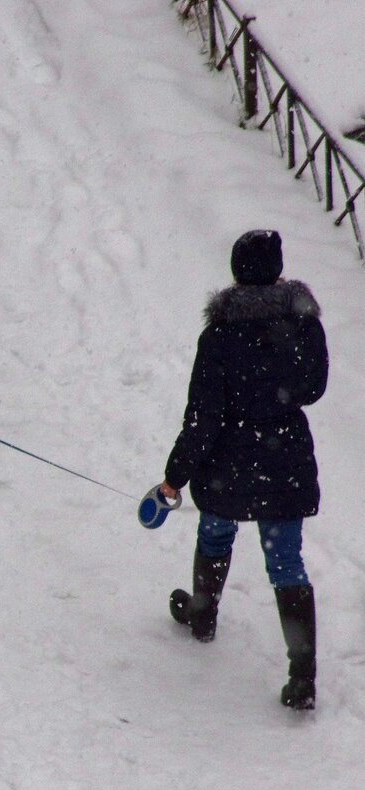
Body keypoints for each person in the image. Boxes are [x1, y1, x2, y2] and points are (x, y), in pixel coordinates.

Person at [158, 229, 328, 710]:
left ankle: (203, 614)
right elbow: (312, 390)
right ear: (277, 269)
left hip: (226, 466)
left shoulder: (220, 335)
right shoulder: (304, 326)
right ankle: (302, 676)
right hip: (284, 462)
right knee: (286, 562)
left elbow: (203, 417)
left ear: (236, 272)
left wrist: (175, 476)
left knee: (215, 534)